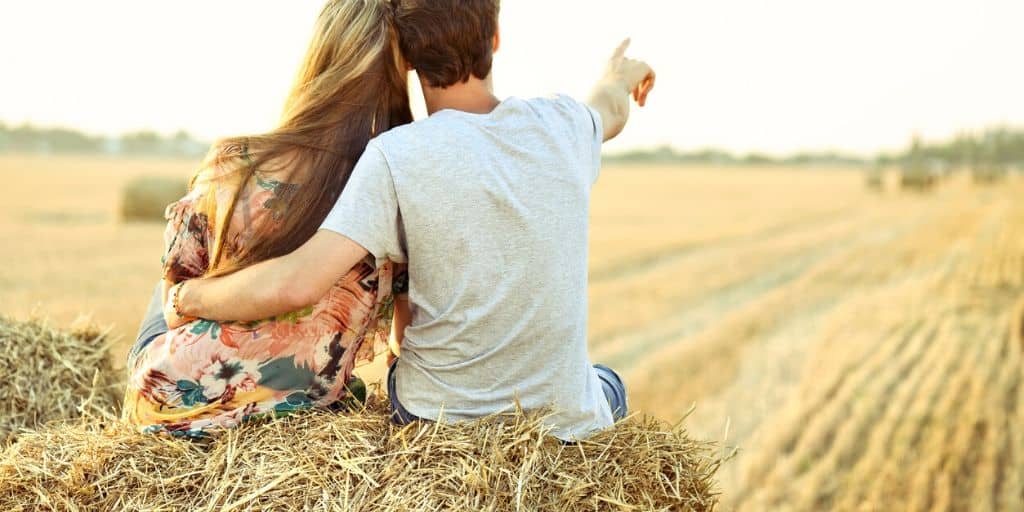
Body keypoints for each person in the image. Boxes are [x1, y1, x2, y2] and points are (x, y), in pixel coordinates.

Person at [169, 0, 655, 441]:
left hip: (434, 418)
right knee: (607, 381)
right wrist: (621, 73)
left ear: (406, 56)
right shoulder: (564, 124)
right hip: (564, 422)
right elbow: (610, 107)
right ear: (497, 36)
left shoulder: (394, 156)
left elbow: (297, 283)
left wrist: (188, 295)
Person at [123, 0, 413, 438]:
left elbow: (174, 295)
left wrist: (186, 298)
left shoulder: (238, 161)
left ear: (319, 61)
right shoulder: (396, 190)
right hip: (304, 404)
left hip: (174, 396)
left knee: (171, 278)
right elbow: (403, 342)